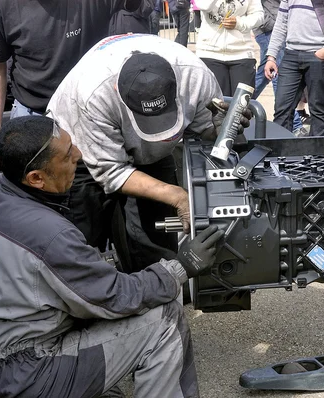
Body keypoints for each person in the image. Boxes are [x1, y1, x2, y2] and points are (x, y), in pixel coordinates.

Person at [0, 115, 224, 398]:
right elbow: (116, 298)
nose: (78, 155)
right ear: (36, 178)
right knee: (164, 317)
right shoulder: (49, 234)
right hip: (30, 375)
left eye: (72, 144)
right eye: (66, 155)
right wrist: (181, 266)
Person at [48, 34, 250, 272]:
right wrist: (177, 195)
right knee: (82, 245)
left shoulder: (195, 77)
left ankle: (156, 296)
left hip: (153, 154)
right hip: (82, 149)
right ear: (118, 92)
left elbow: (201, 130)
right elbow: (111, 172)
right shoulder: (93, 93)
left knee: (155, 248)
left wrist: (218, 130)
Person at [0, 0, 147, 172]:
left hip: (90, 115)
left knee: (95, 188)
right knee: (33, 190)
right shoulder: (0, 6)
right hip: (32, 116)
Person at [263, 0, 324, 136]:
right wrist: (271, 56)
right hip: (291, 55)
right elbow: (281, 23)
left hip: (318, 56)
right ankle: (282, 154)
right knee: (282, 109)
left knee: (318, 109)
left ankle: (318, 156)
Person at [252, 0, 304, 135]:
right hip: (269, 30)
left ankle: (237, 106)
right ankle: (296, 125)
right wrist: (273, 24)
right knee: (279, 77)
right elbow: (254, 5)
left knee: (265, 74)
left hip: (273, 28)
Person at [194, 0, 263, 96]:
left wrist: (239, 23)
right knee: (216, 106)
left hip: (242, 52)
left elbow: (258, 15)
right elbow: (203, 5)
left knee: (241, 106)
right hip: (210, 52)